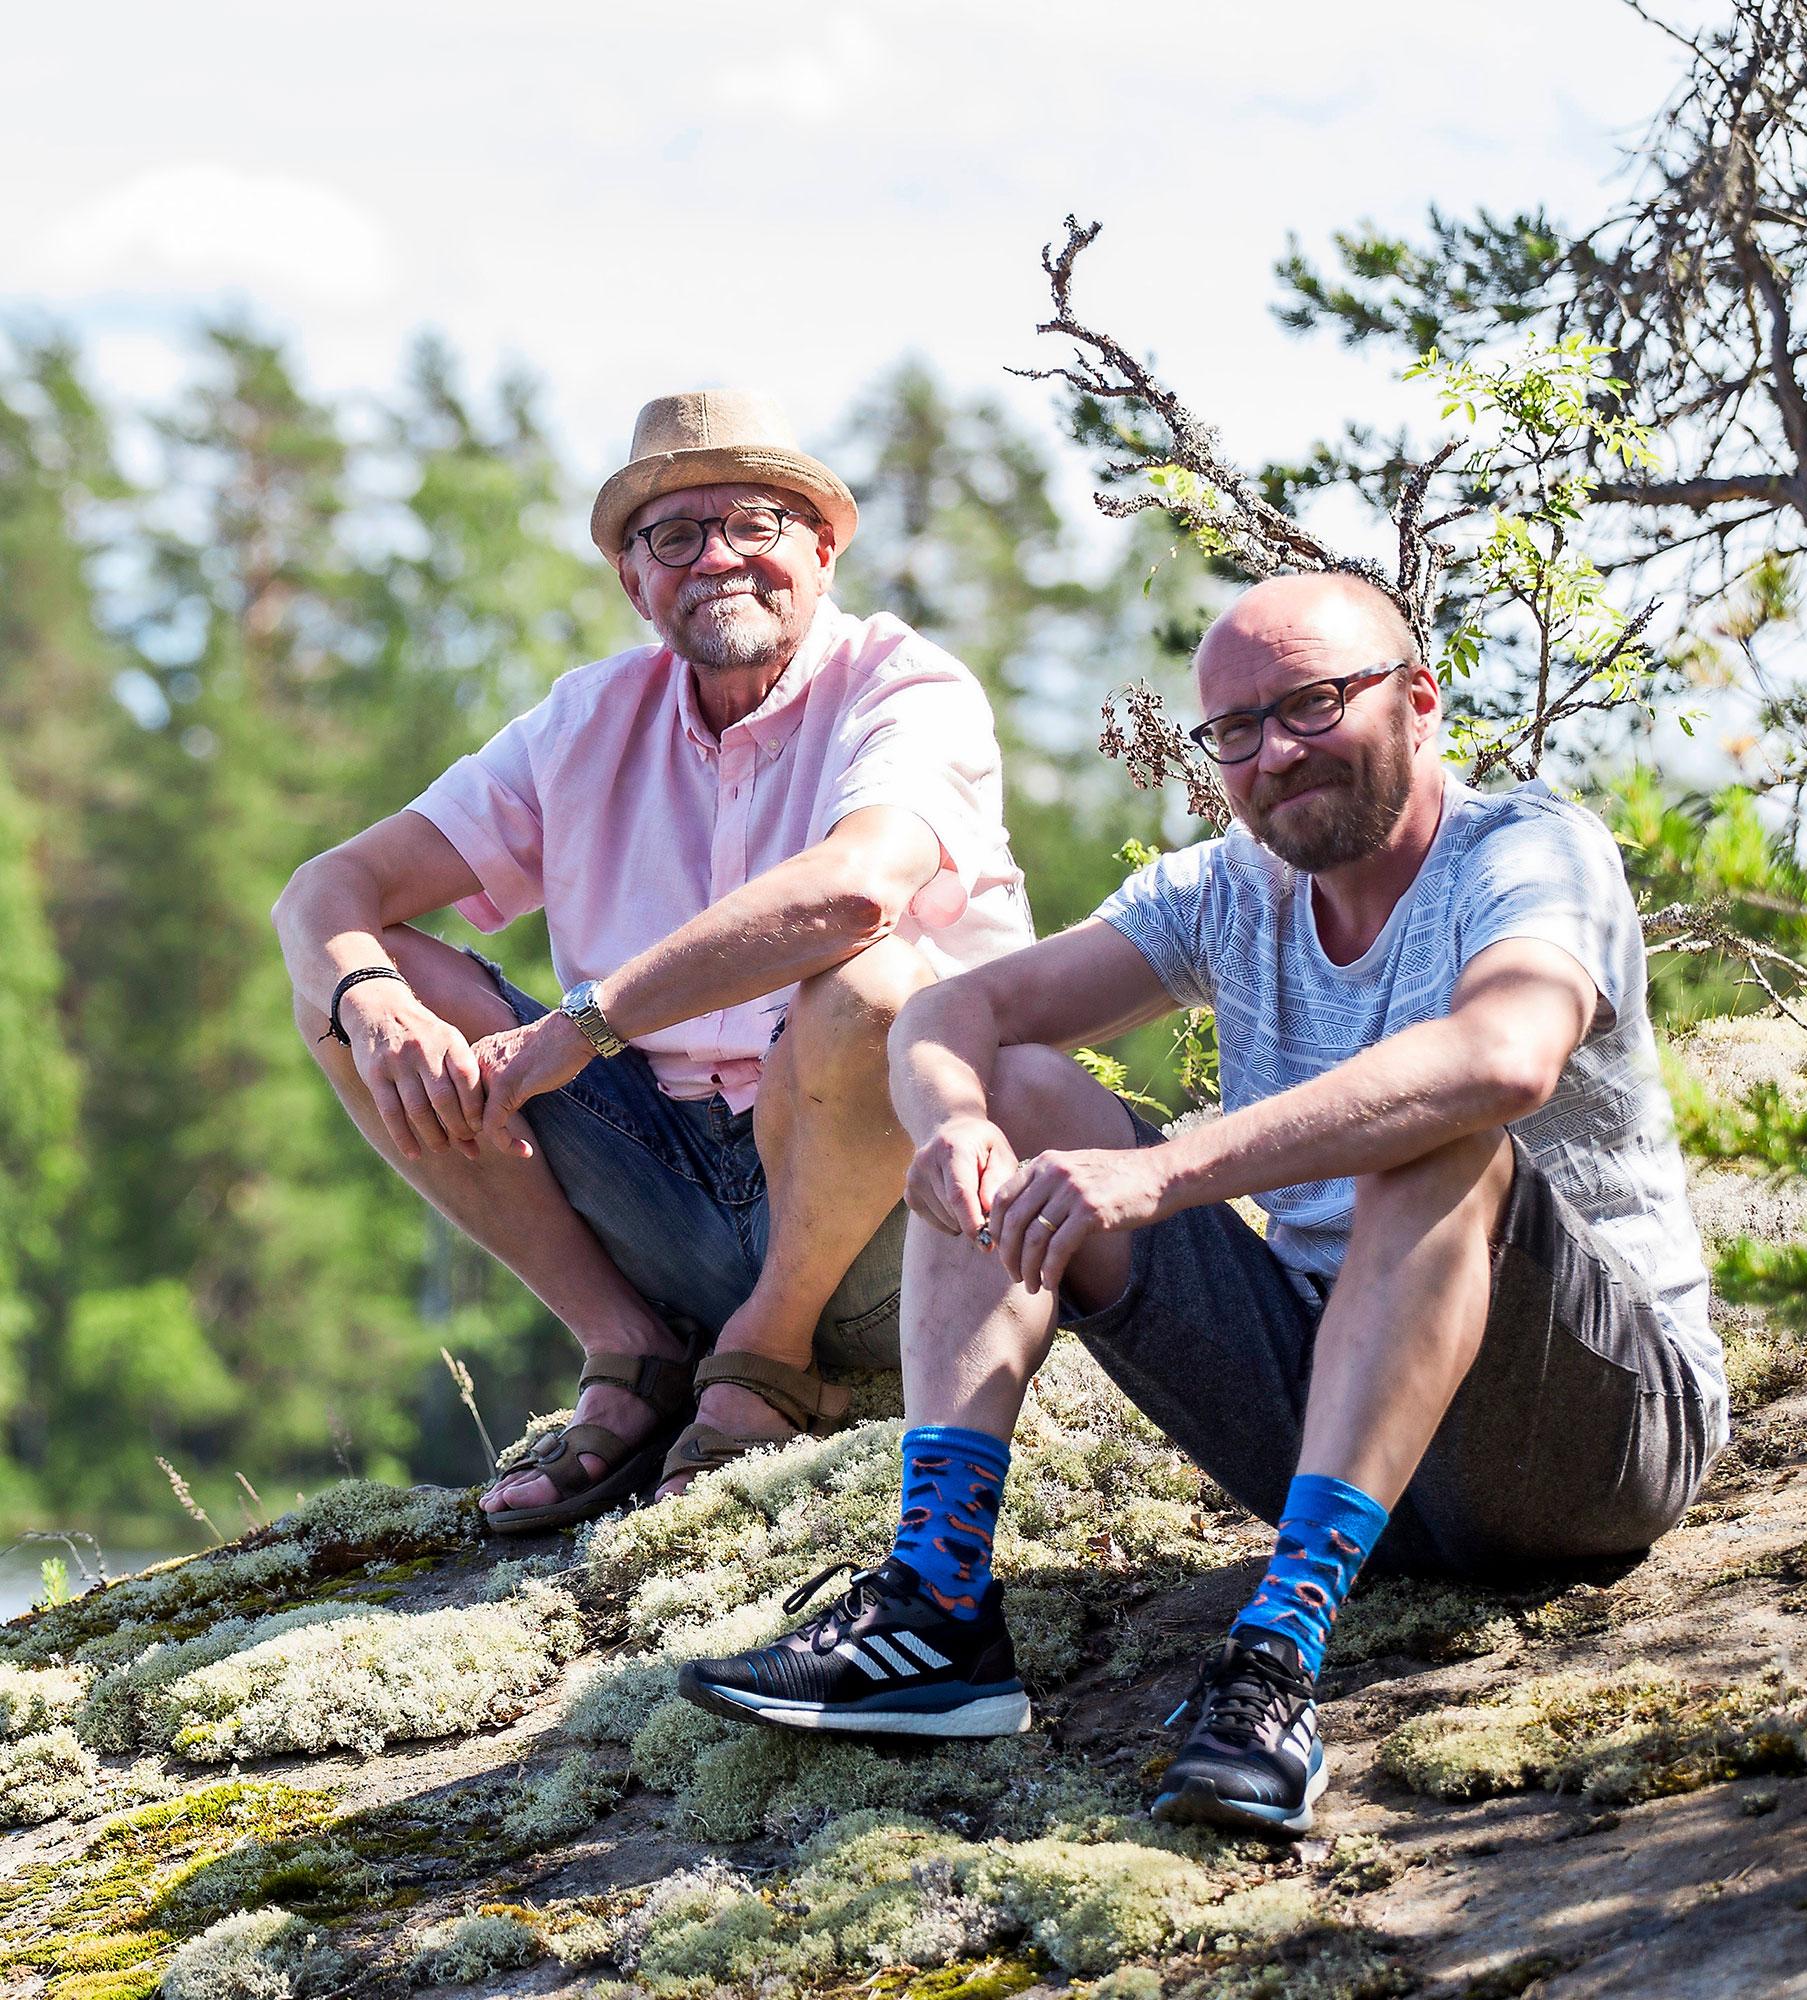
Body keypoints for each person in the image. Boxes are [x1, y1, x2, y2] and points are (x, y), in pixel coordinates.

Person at [676, 568, 1725, 1835]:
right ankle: (936, 1604)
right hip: (1333, 1424)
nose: (1274, 752)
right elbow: (960, 1010)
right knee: (1009, 1088)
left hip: (1583, 1441)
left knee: (1434, 1131)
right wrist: (952, 1122)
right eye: (1235, 730)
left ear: (1420, 702)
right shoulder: (1232, 886)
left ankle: (1275, 1665)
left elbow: (1500, 1057)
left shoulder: (1524, 850)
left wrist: (1165, 1168)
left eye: (1311, 704)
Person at [274, 390, 1033, 1534]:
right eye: (674, 536)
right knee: (347, 988)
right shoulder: (582, 719)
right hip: (659, 1194)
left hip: (892, 1213)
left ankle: (768, 1352)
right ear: (635, 581)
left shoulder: (907, 687)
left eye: (754, 524)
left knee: (870, 986)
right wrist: (373, 1000)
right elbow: (323, 891)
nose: (716, 557)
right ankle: (627, 1349)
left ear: (822, 551)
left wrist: (582, 1024)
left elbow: (855, 886)